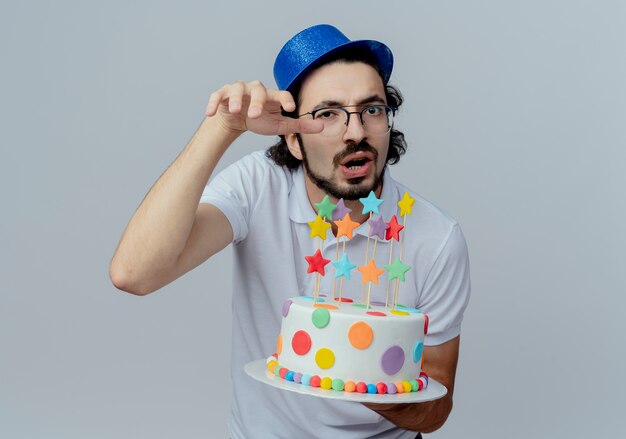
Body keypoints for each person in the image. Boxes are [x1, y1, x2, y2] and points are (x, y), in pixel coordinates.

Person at [110, 24, 470, 439]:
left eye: (372, 109)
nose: (356, 132)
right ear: (293, 140)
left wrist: (352, 367)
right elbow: (133, 274)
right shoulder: (258, 186)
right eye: (328, 114)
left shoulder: (436, 238)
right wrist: (222, 127)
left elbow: (435, 409)